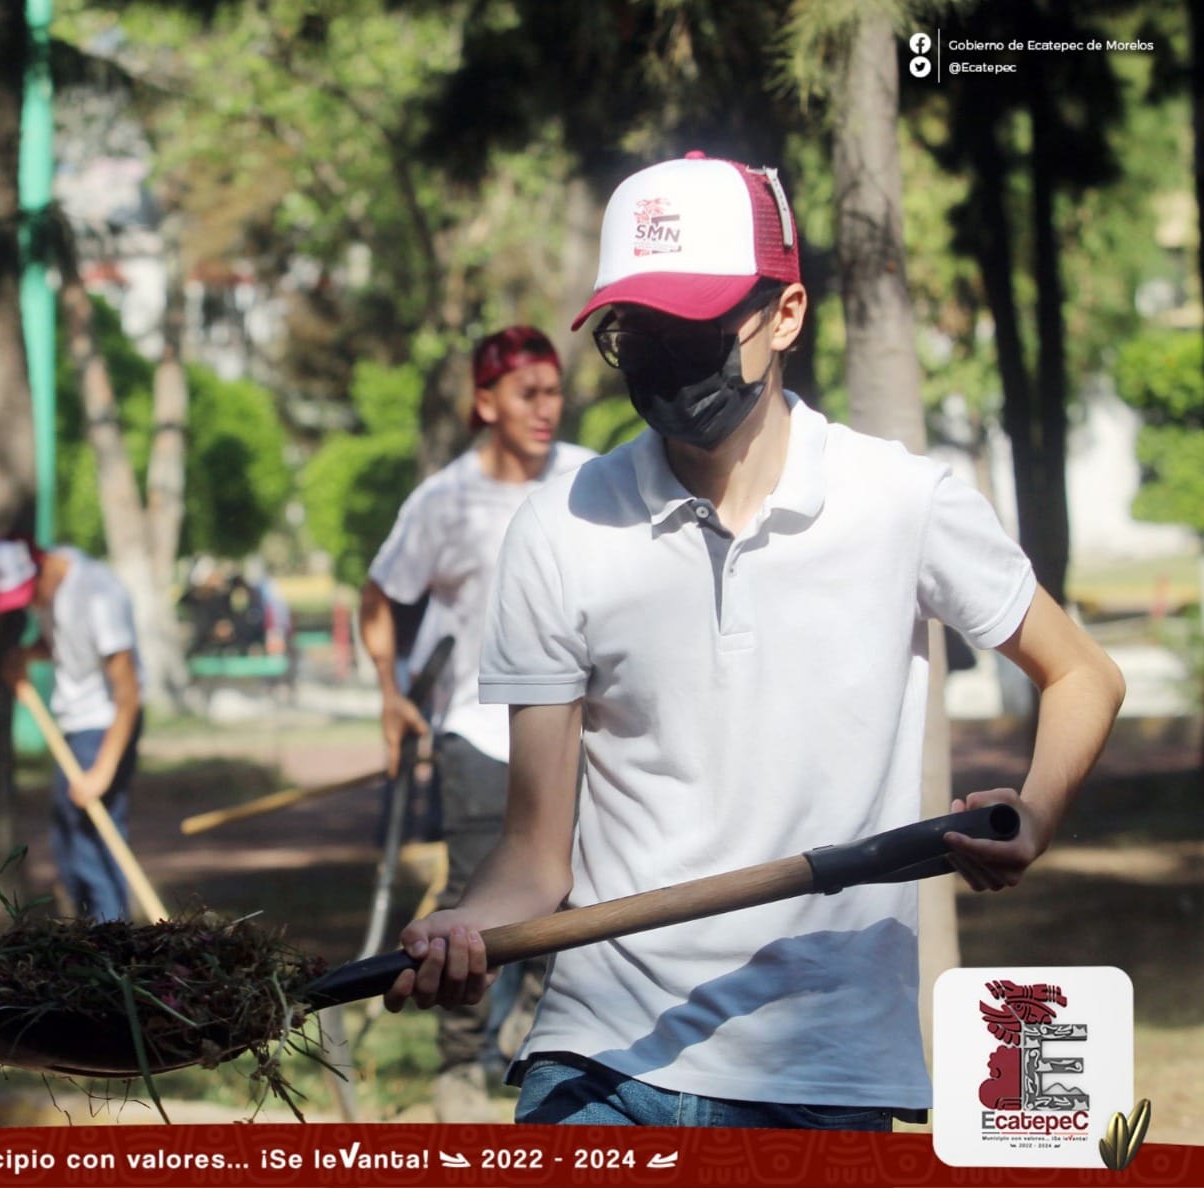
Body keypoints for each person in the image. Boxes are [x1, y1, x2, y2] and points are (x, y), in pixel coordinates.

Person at [383, 153, 1127, 1129]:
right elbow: (533, 855)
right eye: (637, 332)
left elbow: (1081, 673)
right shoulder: (562, 526)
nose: (664, 358)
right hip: (601, 1057)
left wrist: (1032, 814)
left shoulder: (899, 503)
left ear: (784, 316)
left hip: (824, 1065)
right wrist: (464, 930)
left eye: (693, 327)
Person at [360, 326, 595, 1121]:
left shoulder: (589, 480)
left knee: (572, 894)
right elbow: (379, 597)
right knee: (473, 899)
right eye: (526, 393)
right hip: (476, 728)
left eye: (553, 391)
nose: (544, 408)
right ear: (484, 401)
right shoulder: (443, 500)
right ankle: (458, 1068)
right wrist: (391, 693)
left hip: (574, 732)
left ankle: (527, 1031)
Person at [0, 537, 145, 923]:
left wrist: (102, 771)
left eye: (30, 592)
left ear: (44, 567)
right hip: (75, 728)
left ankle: (114, 944)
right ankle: (90, 938)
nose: (29, 603)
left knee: (91, 842)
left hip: (106, 725)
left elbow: (128, 694)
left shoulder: (98, 594)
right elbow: (62, 644)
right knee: (66, 842)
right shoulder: (50, 590)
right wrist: (24, 654)